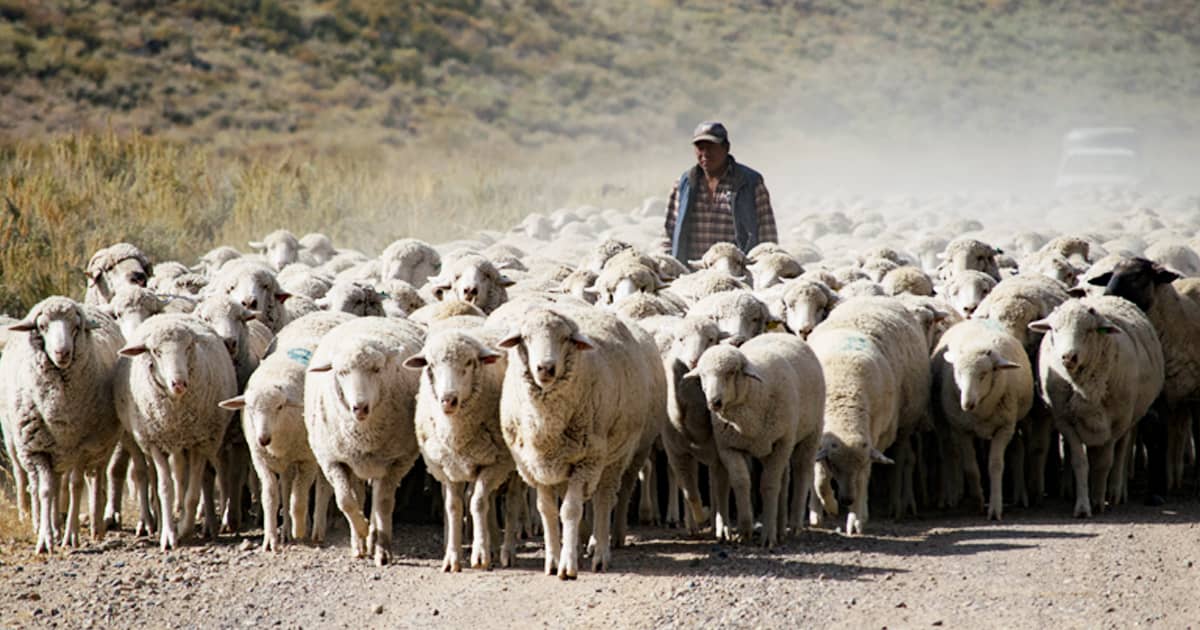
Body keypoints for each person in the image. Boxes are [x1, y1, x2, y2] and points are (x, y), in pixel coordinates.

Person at [663, 121, 778, 263]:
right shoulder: (683, 185)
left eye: (711, 147)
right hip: (691, 274)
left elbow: (768, 238)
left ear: (726, 147)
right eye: (700, 147)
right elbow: (669, 234)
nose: (705, 153)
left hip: (737, 273)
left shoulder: (750, 184)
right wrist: (669, 267)